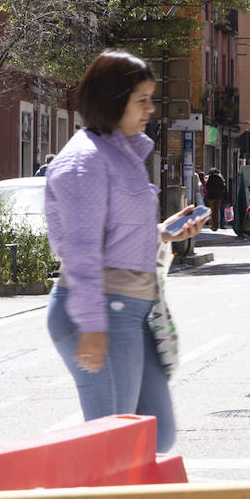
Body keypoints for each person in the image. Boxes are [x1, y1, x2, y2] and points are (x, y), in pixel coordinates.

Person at [43, 50, 205, 452]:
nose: (151, 108)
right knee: (114, 444)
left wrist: (164, 233)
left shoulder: (121, 154)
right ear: (114, 100)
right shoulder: (85, 163)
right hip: (100, 312)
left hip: (127, 313)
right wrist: (93, 326)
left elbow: (113, 233)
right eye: (142, 100)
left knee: (156, 433)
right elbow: (81, 251)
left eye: (151, 98)